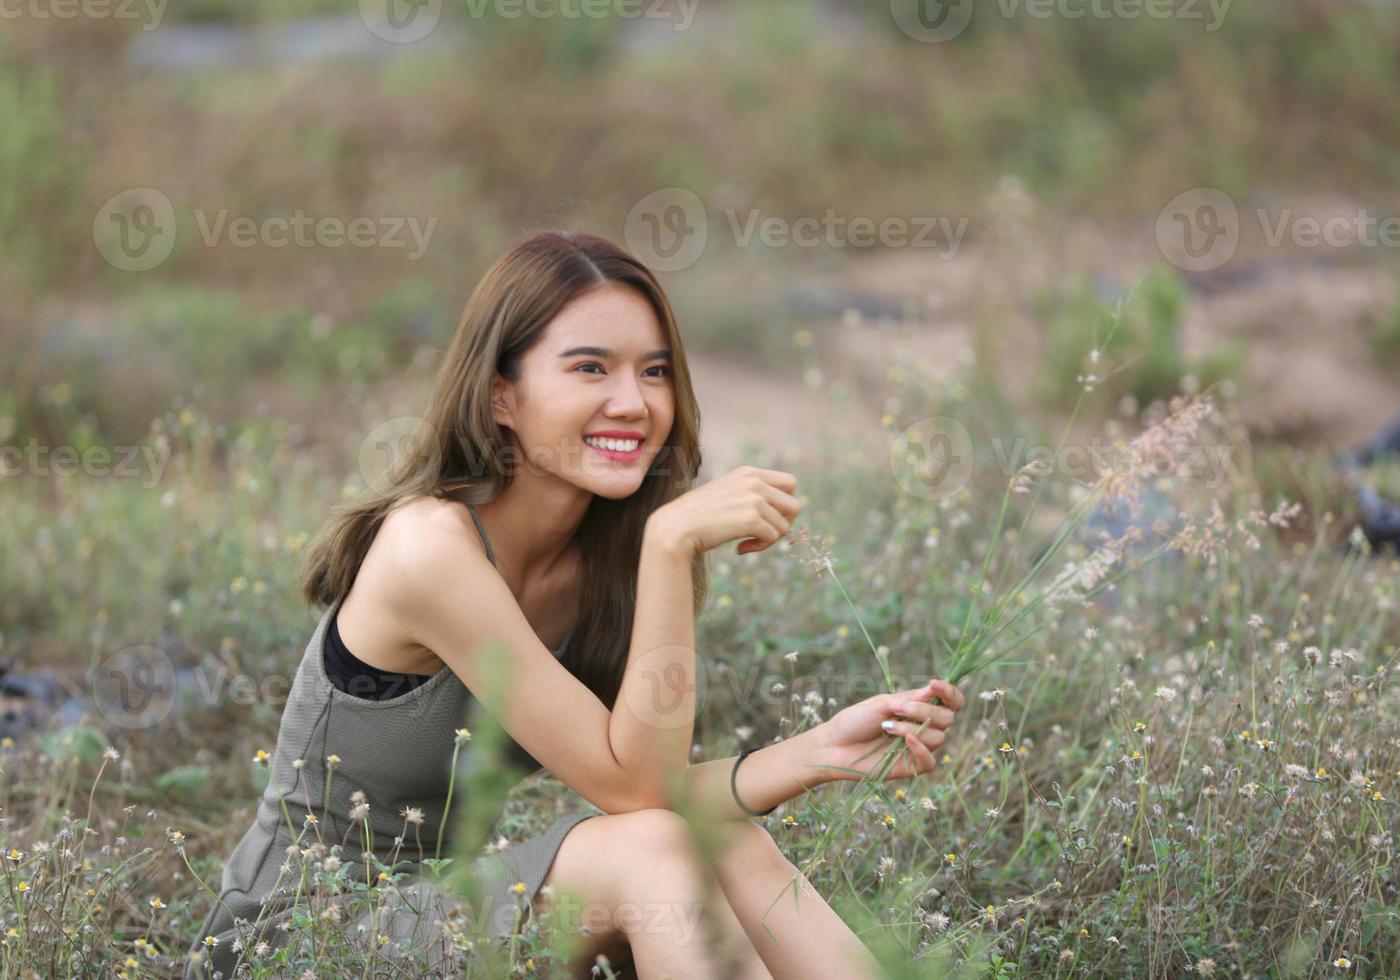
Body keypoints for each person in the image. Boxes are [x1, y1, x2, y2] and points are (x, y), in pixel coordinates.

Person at [191, 230, 967, 978]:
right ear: (501, 395)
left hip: (445, 920)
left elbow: (647, 781)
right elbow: (631, 798)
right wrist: (669, 546)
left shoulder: (602, 560)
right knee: (655, 852)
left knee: (716, 841)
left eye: (655, 371)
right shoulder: (427, 547)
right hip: (301, 944)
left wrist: (819, 752)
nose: (633, 401)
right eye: (591, 368)